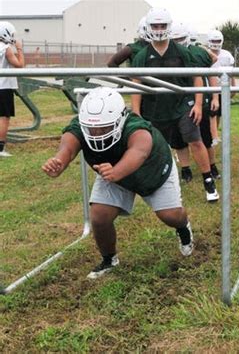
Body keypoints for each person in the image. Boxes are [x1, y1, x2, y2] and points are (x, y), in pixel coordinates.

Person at [42, 87, 194, 279]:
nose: (97, 132)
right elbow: (68, 148)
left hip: (152, 170)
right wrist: (59, 163)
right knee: (99, 217)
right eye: (91, 128)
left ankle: (183, 227)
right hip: (112, 172)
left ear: (121, 119)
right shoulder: (79, 127)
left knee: (170, 215)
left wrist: (116, 172)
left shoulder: (136, 127)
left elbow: (139, 152)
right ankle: (109, 259)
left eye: (104, 128)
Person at [131, 7, 219, 202]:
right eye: (156, 25)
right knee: (156, 146)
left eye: (163, 25)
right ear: (148, 27)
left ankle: (208, 180)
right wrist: (136, 111)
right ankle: (160, 182)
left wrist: (197, 104)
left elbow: (196, 78)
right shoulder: (142, 56)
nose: (159, 29)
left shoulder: (181, 51)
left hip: (182, 105)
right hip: (156, 109)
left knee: (195, 140)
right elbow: (136, 85)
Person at [169, 22, 221, 181]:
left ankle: (211, 166)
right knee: (179, 140)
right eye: (175, 39)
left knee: (205, 138)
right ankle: (186, 169)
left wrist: (214, 97)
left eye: (181, 38)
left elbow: (211, 67)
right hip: (176, 102)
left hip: (199, 100)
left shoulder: (198, 52)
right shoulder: (166, 53)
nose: (178, 42)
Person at [207, 29, 236, 147]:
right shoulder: (206, 53)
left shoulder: (227, 55)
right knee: (212, 113)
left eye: (217, 40)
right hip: (209, 88)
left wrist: (233, 85)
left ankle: (214, 134)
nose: (215, 43)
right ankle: (214, 137)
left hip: (222, 87)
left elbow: (231, 73)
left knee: (218, 114)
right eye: (213, 40)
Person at [0, 21, 25, 157]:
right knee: (4, 117)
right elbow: (19, 65)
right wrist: (19, 49)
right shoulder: (5, 48)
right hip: (3, 86)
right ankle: (0, 148)